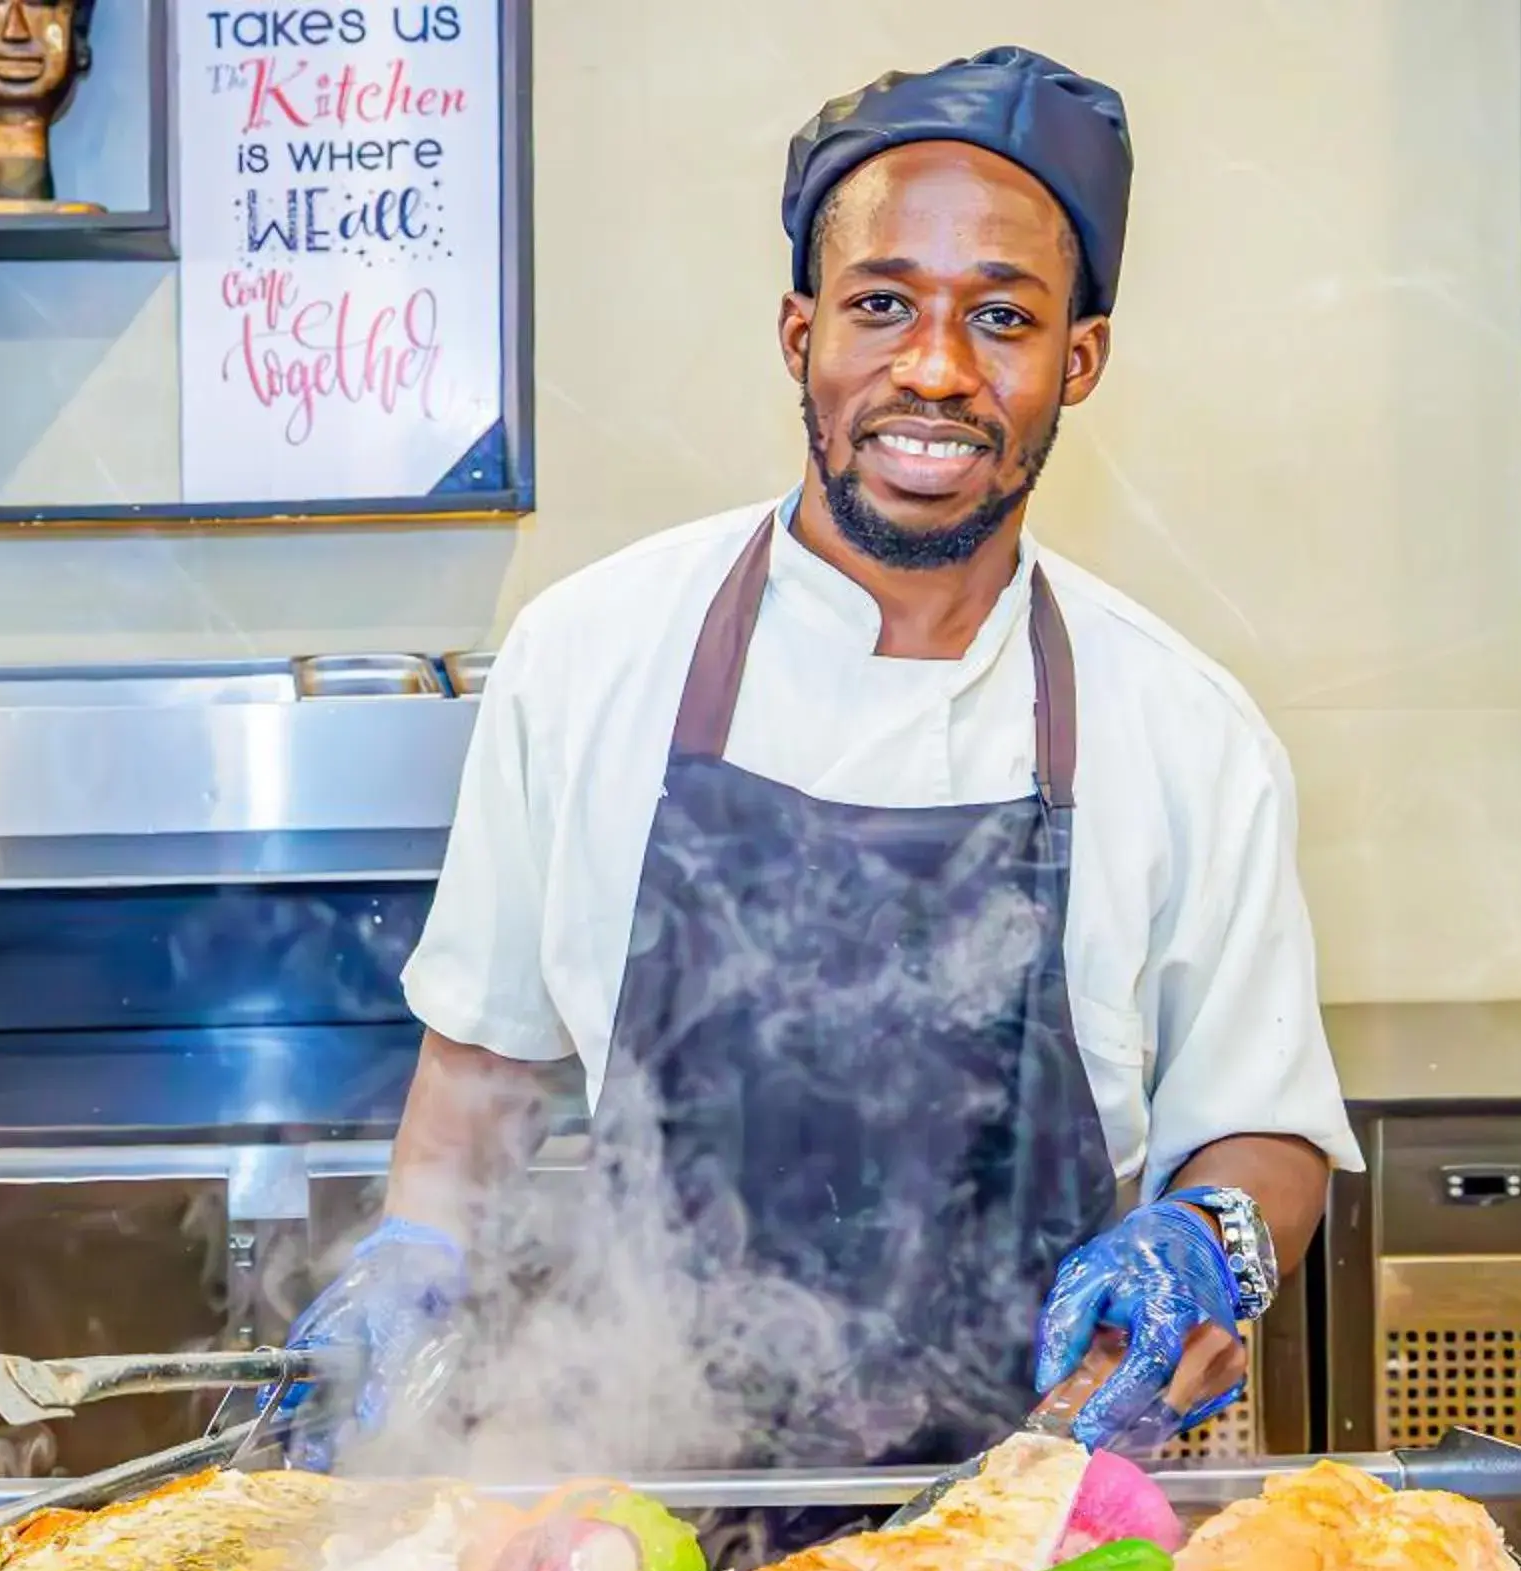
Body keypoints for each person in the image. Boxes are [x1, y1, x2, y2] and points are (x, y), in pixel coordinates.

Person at [275, 47, 1360, 1471]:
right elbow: (480, 1069)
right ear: (801, 335)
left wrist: (1208, 1248)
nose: (934, 368)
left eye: (1004, 319)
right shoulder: (591, 657)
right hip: (638, 1509)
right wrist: (413, 1263)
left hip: (1035, 1518)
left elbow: (1262, 1133)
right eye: (882, 305)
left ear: (1076, 363)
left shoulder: (1188, 729)